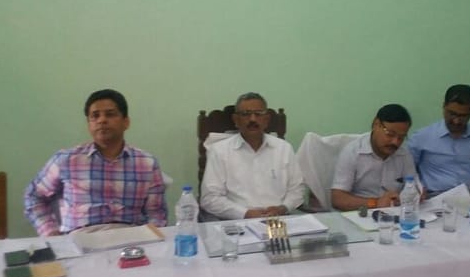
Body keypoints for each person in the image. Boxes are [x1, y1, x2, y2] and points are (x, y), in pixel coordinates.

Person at [24, 89, 168, 236]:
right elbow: (34, 196)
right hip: (79, 238)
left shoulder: (147, 164)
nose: (102, 120)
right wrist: (50, 232)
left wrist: (151, 239)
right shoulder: (66, 160)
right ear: (89, 124)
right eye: (95, 116)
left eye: (110, 114)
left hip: (130, 238)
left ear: (126, 122)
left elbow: (156, 213)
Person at [200, 92, 304, 220]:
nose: (252, 119)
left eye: (258, 114)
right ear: (236, 120)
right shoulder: (219, 151)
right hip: (237, 222)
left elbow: (297, 190)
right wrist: (245, 213)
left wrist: (283, 208)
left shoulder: (284, 148)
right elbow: (209, 198)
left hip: (279, 220)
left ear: (266, 119)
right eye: (246, 114)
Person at [408, 84, 470, 194]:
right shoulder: (421, 137)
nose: (456, 121)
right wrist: (417, 190)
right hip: (433, 197)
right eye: (452, 114)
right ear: (444, 106)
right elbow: (407, 172)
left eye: (463, 116)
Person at [331, 104, 418, 211]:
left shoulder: (404, 154)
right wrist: (376, 203)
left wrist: (417, 193)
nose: (395, 142)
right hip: (359, 213)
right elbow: (338, 199)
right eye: (390, 134)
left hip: (393, 213)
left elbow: (413, 185)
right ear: (376, 124)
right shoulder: (353, 152)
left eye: (401, 137)